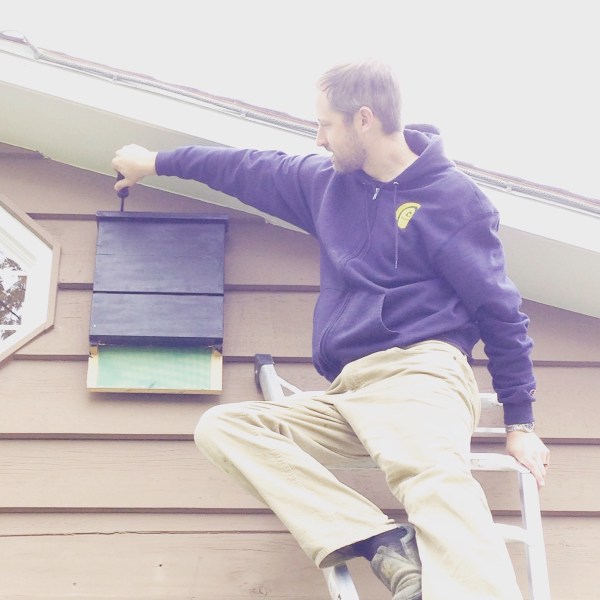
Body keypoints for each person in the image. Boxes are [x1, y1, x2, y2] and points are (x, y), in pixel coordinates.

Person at [112, 60, 550, 600]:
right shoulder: (326, 185)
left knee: (434, 481)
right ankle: (383, 543)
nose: (318, 139)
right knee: (225, 428)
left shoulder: (452, 200)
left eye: (325, 124)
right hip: (349, 393)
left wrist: (520, 420)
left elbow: (499, 310)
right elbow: (245, 167)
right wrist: (154, 162)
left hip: (419, 373)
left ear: (364, 119)